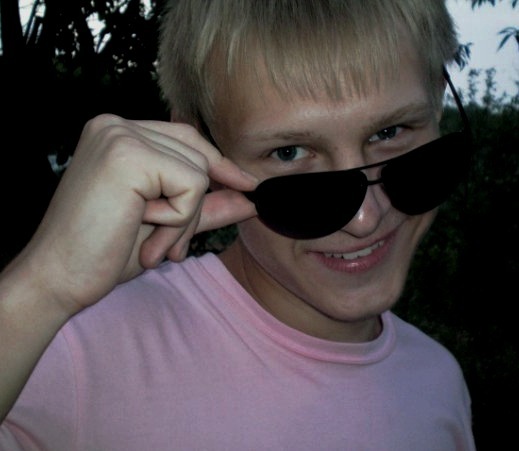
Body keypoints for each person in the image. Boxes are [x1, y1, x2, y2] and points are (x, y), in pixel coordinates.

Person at [0, 0, 476, 449]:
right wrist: (45, 286)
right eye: (288, 152)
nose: (364, 218)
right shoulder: (80, 351)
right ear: (198, 148)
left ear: (438, 105)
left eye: (389, 132)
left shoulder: (437, 382)